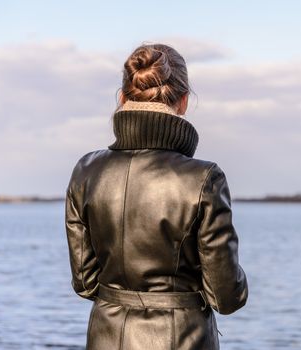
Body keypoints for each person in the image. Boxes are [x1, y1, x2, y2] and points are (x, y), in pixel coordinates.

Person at [64, 43, 248, 350]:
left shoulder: (86, 170)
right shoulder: (204, 178)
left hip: (106, 337)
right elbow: (226, 296)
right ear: (184, 101)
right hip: (181, 339)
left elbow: (84, 283)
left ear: (123, 98)